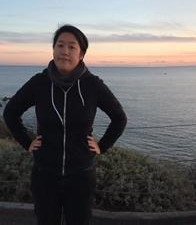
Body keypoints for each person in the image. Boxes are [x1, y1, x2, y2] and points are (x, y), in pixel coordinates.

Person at [3, 24, 127, 224]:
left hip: (81, 175)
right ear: (53, 50)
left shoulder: (93, 85)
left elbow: (119, 118)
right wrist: (27, 142)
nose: (65, 51)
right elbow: (10, 112)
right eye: (60, 45)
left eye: (71, 46)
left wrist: (102, 146)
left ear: (82, 54)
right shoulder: (39, 82)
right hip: (45, 174)